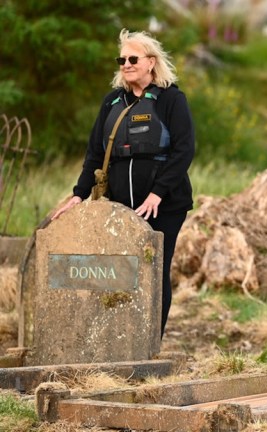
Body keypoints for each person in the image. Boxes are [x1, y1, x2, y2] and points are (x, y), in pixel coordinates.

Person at [52, 29, 195, 338]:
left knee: (155, 270)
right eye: (122, 60)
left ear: (151, 62)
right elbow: (95, 153)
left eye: (133, 59)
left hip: (164, 206)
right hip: (120, 206)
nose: (126, 65)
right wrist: (78, 195)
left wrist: (158, 193)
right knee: (121, 273)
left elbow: (184, 150)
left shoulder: (172, 99)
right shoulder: (112, 102)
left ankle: (150, 343)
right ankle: (122, 339)